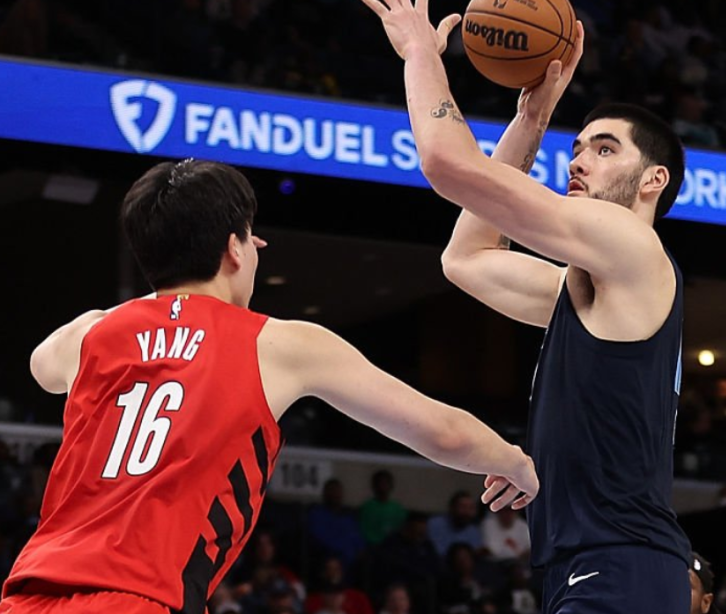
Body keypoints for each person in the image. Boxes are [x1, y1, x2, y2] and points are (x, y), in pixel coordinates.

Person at [0, 159, 538, 614]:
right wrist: (516, 462)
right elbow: (441, 432)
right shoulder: (276, 343)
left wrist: (158, 289)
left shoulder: (94, 334)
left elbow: (40, 366)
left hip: (28, 594)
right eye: (249, 237)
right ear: (236, 250)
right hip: (138, 599)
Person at [359, 0, 691, 612]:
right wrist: (533, 117)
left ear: (653, 180)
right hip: (590, 562)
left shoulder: (633, 245)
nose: (579, 160)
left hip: (620, 561)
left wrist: (422, 54)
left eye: (605, 150)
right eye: (579, 147)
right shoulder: (593, 291)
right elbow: (467, 258)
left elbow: (446, 163)